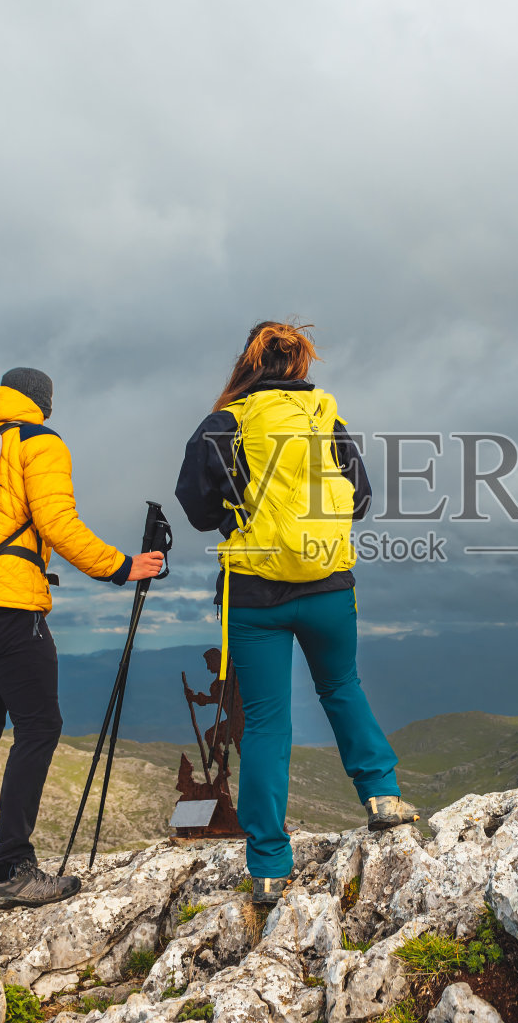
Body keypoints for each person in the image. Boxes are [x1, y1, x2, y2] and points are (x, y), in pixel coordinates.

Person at [175, 322, 417, 906]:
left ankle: (268, 865)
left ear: (247, 363)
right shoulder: (325, 418)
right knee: (342, 686)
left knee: (263, 722)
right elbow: (359, 496)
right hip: (330, 585)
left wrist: (240, 517)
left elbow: (195, 504)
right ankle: (382, 797)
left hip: (255, 594)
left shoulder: (226, 422)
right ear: (301, 363)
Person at [0, 367, 164, 909]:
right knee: (40, 725)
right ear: (42, 402)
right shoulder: (37, 442)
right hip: (10, 604)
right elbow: (58, 523)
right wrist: (122, 567)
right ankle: (10, 868)